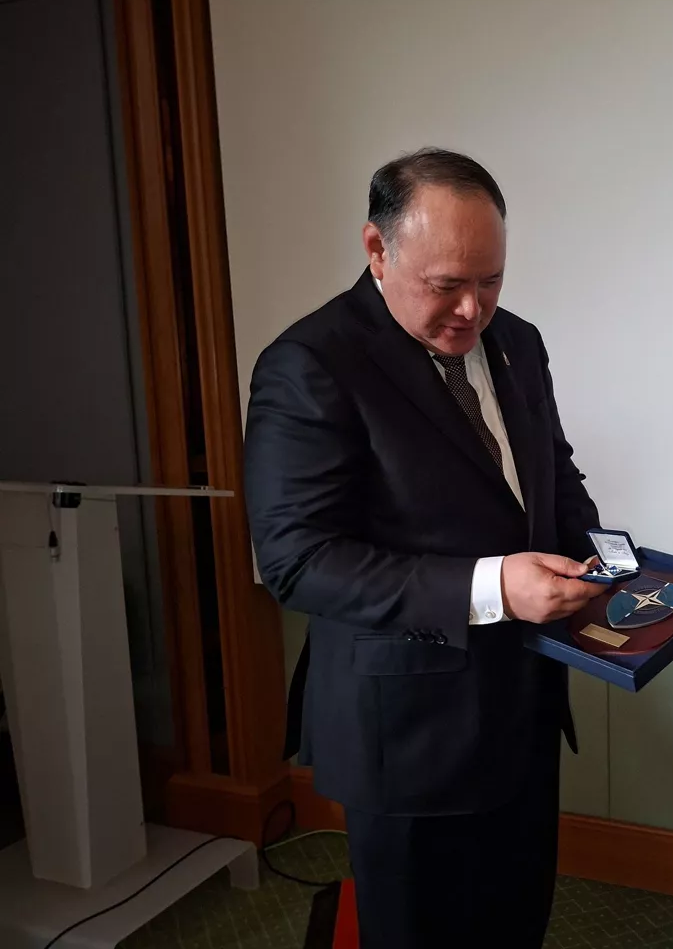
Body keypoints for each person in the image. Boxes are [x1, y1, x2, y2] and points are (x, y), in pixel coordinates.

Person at [243, 148, 607, 947]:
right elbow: (297, 559)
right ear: (377, 249)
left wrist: (608, 563)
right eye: (446, 285)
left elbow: (551, 474)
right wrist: (495, 588)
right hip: (407, 733)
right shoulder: (310, 364)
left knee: (517, 921)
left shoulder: (519, 342)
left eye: (492, 280)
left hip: (524, 704)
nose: (473, 309)